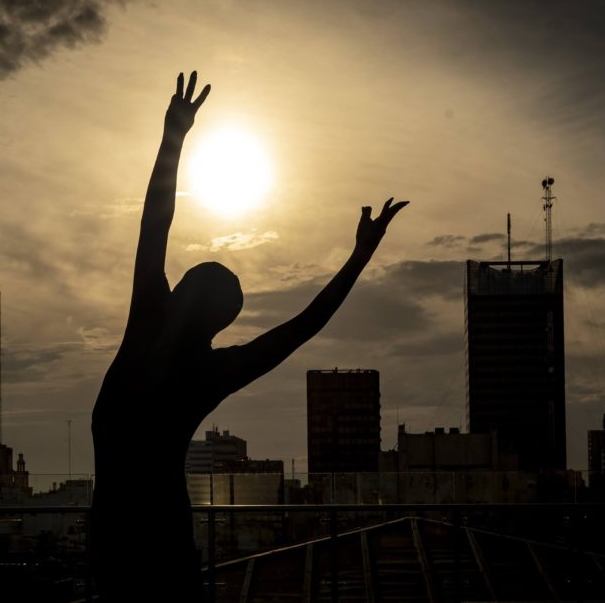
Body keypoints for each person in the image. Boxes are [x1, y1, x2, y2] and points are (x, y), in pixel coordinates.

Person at [90, 72, 408, 601]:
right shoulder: (208, 371)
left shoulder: (148, 324)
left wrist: (174, 136)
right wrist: (359, 258)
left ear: (186, 291)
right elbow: (305, 324)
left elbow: (155, 223)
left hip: (121, 544)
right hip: (157, 544)